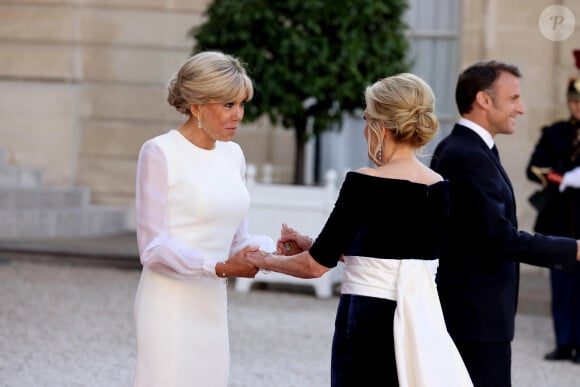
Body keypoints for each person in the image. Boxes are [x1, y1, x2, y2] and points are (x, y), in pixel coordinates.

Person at [246, 73, 473, 387]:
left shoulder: (364, 181)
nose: (365, 130)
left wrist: (261, 259)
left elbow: (314, 267)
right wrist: (310, 243)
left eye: (367, 119)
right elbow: (387, 255)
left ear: (380, 126)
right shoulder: (440, 187)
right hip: (420, 320)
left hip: (369, 322)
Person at [429, 60, 580, 387]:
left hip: (476, 312)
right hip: (475, 318)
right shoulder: (467, 154)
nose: (521, 108)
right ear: (484, 100)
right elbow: (498, 237)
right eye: (513, 98)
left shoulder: (470, 149)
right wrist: (574, 249)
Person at [132, 51, 274, 387]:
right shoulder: (159, 152)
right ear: (197, 106)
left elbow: (238, 239)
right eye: (228, 105)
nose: (238, 115)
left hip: (211, 303)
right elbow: (152, 248)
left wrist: (271, 251)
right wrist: (220, 268)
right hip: (169, 305)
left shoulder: (233, 154)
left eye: (241, 104)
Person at [526, 76, 580, 363]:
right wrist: (563, 178)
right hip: (559, 221)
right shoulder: (555, 133)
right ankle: (564, 342)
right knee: (561, 286)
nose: (578, 107)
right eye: (574, 102)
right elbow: (533, 167)